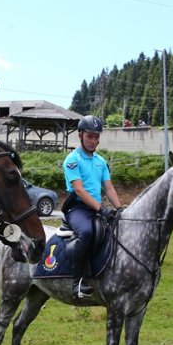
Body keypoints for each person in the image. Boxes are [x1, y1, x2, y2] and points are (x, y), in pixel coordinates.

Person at [62, 114, 122, 299]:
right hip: (78, 209)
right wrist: (100, 208)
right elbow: (79, 190)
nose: (94, 141)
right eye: (90, 136)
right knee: (87, 233)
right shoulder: (72, 160)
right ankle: (77, 283)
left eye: (96, 137)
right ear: (80, 135)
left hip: (97, 207)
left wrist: (120, 209)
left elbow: (109, 187)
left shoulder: (101, 162)